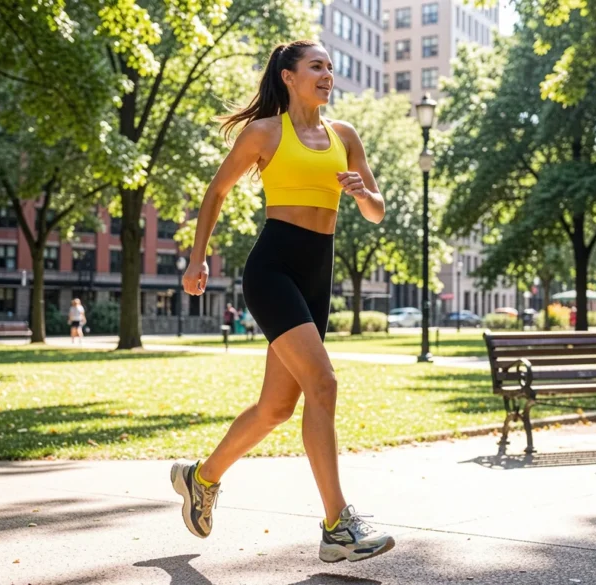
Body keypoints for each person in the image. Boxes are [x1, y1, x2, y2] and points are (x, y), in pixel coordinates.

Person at [171, 40, 393, 563]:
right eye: (316, 66)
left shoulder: (344, 136)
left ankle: (200, 478)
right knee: (324, 382)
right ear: (288, 76)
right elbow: (216, 191)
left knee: (276, 407)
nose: (327, 74)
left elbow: (377, 211)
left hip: (318, 275)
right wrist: (197, 259)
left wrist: (362, 192)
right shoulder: (265, 132)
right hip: (272, 271)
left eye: (330, 68)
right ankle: (338, 527)